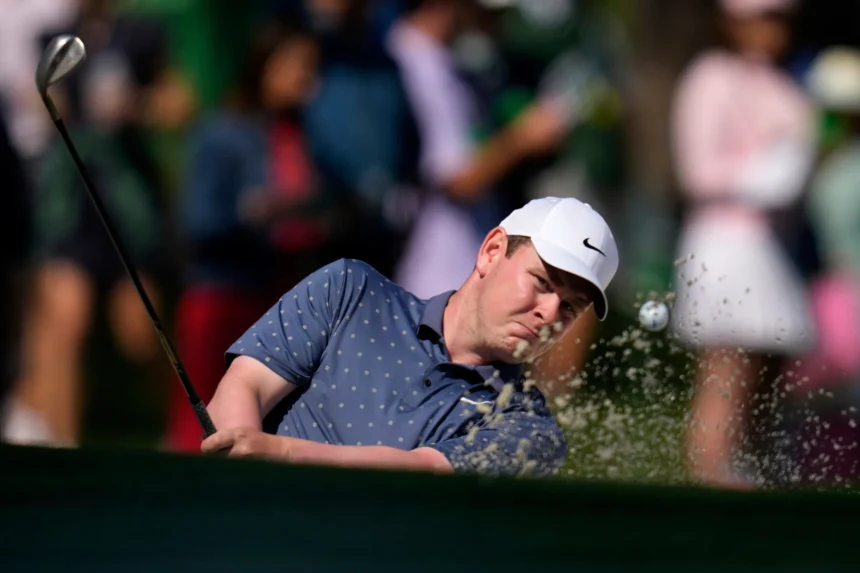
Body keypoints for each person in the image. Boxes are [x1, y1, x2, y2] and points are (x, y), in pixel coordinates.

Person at [200, 196, 618, 476]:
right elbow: (246, 385)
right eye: (543, 283)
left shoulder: (530, 427)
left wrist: (280, 454)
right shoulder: (351, 289)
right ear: (492, 250)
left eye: (570, 307)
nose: (550, 314)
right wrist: (245, 485)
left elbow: (419, 472)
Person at [668, 0, 817, 487]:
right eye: (763, 17)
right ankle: (711, 477)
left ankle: (745, 480)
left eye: (780, 18)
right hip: (725, 241)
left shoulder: (783, 85)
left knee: (766, 378)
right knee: (726, 372)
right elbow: (697, 172)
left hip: (770, 246)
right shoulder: (711, 76)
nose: (774, 29)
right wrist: (761, 172)